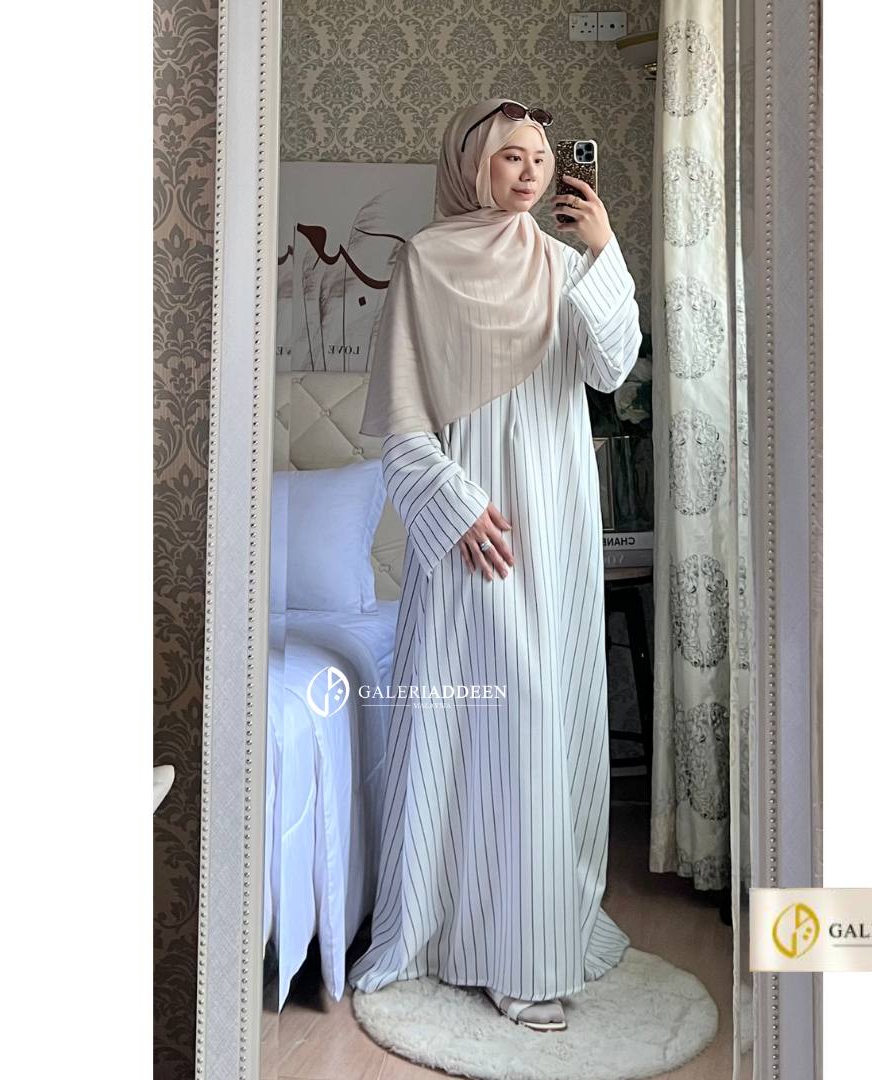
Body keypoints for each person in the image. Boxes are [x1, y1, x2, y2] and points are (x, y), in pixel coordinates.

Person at [350, 97, 642, 1033]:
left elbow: (610, 369)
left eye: (541, 157)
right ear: (472, 165)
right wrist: (456, 504)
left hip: (554, 516)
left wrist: (603, 248)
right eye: (510, 156)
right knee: (485, 723)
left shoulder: (564, 264)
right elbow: (403, 420)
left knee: (544, 719)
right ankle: (469, 940)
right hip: (474, 525)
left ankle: (532, 938)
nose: (530, 171)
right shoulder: (426, 261)